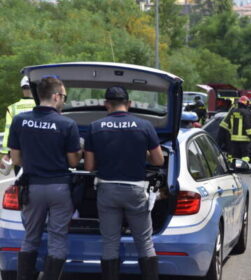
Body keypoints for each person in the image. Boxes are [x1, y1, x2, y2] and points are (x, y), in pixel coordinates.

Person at [84, 86, 164, 280]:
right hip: (135, 190)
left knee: (110, 242)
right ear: (129, 104)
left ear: (106, 105)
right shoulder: (144, 126)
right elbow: (159, 160)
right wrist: (142, 155)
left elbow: (89, 166)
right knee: (144, 242)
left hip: (107, 190)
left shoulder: (95, 127)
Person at [8, 76, 82, 280]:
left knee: (30, 238)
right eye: (64, 97)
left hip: (32, 188)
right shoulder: (67, 124)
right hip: (59, 188)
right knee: (57, 240)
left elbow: (15, 158)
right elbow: (74, 162)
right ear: (57, 96)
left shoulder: (20, 120)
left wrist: (35, 161)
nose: (64, 101)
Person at [0, 76, 36, 175]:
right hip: (38, 150)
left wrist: (6, 153)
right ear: (34, 88)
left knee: (20, 183)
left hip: (18, 152)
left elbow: (8, 132)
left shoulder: (12, 108)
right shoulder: (41, 105)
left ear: (22, 88)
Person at [225, 96, 251, 162]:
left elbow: (229, 124)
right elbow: (248, 125)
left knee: (235, 155)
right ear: (245, 103)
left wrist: (231, 134)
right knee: (245, 155)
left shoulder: (233, 111)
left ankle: (235, 168)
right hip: (244, 138)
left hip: (234, 138)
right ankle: (244, 168)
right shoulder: (246, 112)